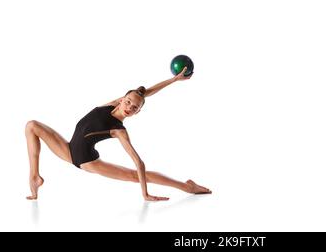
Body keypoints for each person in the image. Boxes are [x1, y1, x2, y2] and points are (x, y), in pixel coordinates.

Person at [25, 67, 211, 201]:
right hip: (67, 148)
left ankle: (187, 186)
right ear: (122, 99)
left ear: (137, 112)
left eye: (135, 107)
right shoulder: (111, 104)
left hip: (85, 160)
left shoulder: (119, 130)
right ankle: (35, 176)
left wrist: (144, 193)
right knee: (32, 125)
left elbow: (139, 163)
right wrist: (173, 80)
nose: (130, 107)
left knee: (133, 175)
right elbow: (145, 93)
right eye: (128, 102)